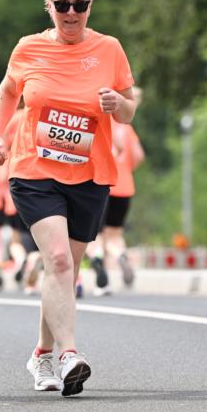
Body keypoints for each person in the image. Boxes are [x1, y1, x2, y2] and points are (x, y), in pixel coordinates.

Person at [0, 0, 135, 396]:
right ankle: (70, 353)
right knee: (56, 260)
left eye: (80, 5)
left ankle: (41, 355)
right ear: (49, 6)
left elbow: (129, 111)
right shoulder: (28, 48)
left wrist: (117, 103)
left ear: (91, 6)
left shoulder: (108, 49)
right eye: (62, 4)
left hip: (89, 173)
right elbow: (6, 92)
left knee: (64, 270)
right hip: (34, 168)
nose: (71, 13)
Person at [89, 89, 146, 294]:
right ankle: (121, 255)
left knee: (95, 234)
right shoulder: (127, 129)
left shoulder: (103, 122)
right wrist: (126, 169)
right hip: (125, 187)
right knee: (114, 234)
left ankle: (98, 269)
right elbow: (139, 155)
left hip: (102, 184)